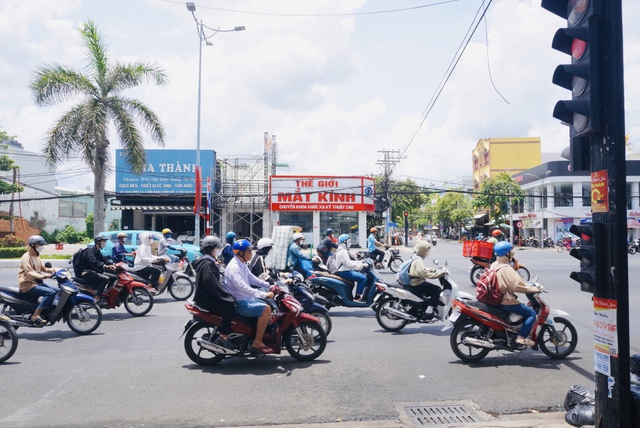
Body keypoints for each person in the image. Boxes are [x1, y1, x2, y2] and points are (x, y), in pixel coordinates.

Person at [224, 239, 275, 354]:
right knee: (266, 309)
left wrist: (270, 285)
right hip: (238, 302)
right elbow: (243, 288)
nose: (251, 254)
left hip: (245, 298)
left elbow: (253, 279)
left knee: (267, 305)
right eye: (249, 251)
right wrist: (264, 294)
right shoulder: (234, 267)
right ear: (241, 253)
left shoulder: (241, 263)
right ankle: (257, 342)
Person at [492, 241, 542, 347]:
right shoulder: (506, 268)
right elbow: (518, 285)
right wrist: (534, 289)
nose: (512, 253)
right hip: (506, 300)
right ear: (506, 254)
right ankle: (521, 337)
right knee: (531, 313)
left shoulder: (494, 264)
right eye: (510, 252)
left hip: (496, 298)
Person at [192, 235, 237, 350]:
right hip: (205, 298)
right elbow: (211, 283)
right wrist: (226, 296)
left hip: (205, 296)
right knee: (229, 304)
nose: (219, 249)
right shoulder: (207, 264)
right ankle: (223, 336)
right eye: (217, 247)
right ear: (211, 249)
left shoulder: (209, 262)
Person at [18, 235, 57, 325]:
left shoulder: (36, 256)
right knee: (50, 293)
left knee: (57, 290)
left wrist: (57, 270)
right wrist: (43, 277)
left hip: (36, 283)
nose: (41, 247)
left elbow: (44, 268)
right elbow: (29, 272)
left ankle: (49, 310)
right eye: (39, 245)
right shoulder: (26, 257)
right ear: (32, 245)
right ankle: (36, 315)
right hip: (28, 285)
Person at [406, 240, 447, 319]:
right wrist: (439, 274)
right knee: (437, 290)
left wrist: (432, 270)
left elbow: (422, 269)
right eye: (427, 249)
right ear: (423, 250)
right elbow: (424, 273)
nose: (427, 251)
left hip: (414, 281)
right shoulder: (418, 260)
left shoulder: (415, 257)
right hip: (417, 283)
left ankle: (421, 308)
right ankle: (429, 310)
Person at [79, 236, 118, 305]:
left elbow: (104, 260)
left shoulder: (97, 251)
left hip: (94, 271)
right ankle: (98, 298)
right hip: (86, 272)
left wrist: (114, 264)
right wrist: (105, 266)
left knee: (114, 277)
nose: (105, 243)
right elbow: (93, 262)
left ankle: (105, 294)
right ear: (98, 242)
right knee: (105, 279)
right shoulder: (90, 251)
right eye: (103, 241)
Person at [334, 233, 373, 302]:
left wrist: (360, 262)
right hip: (344, 272)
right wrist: (361, 265)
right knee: (363, 278)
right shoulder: (343, 251)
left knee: (360, 276)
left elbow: (349, 262)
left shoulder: (341, 250)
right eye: (349, 241)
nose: (350, 243)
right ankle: (358, 296)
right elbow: (349, 264)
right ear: (344, 242)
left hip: (344, 270)